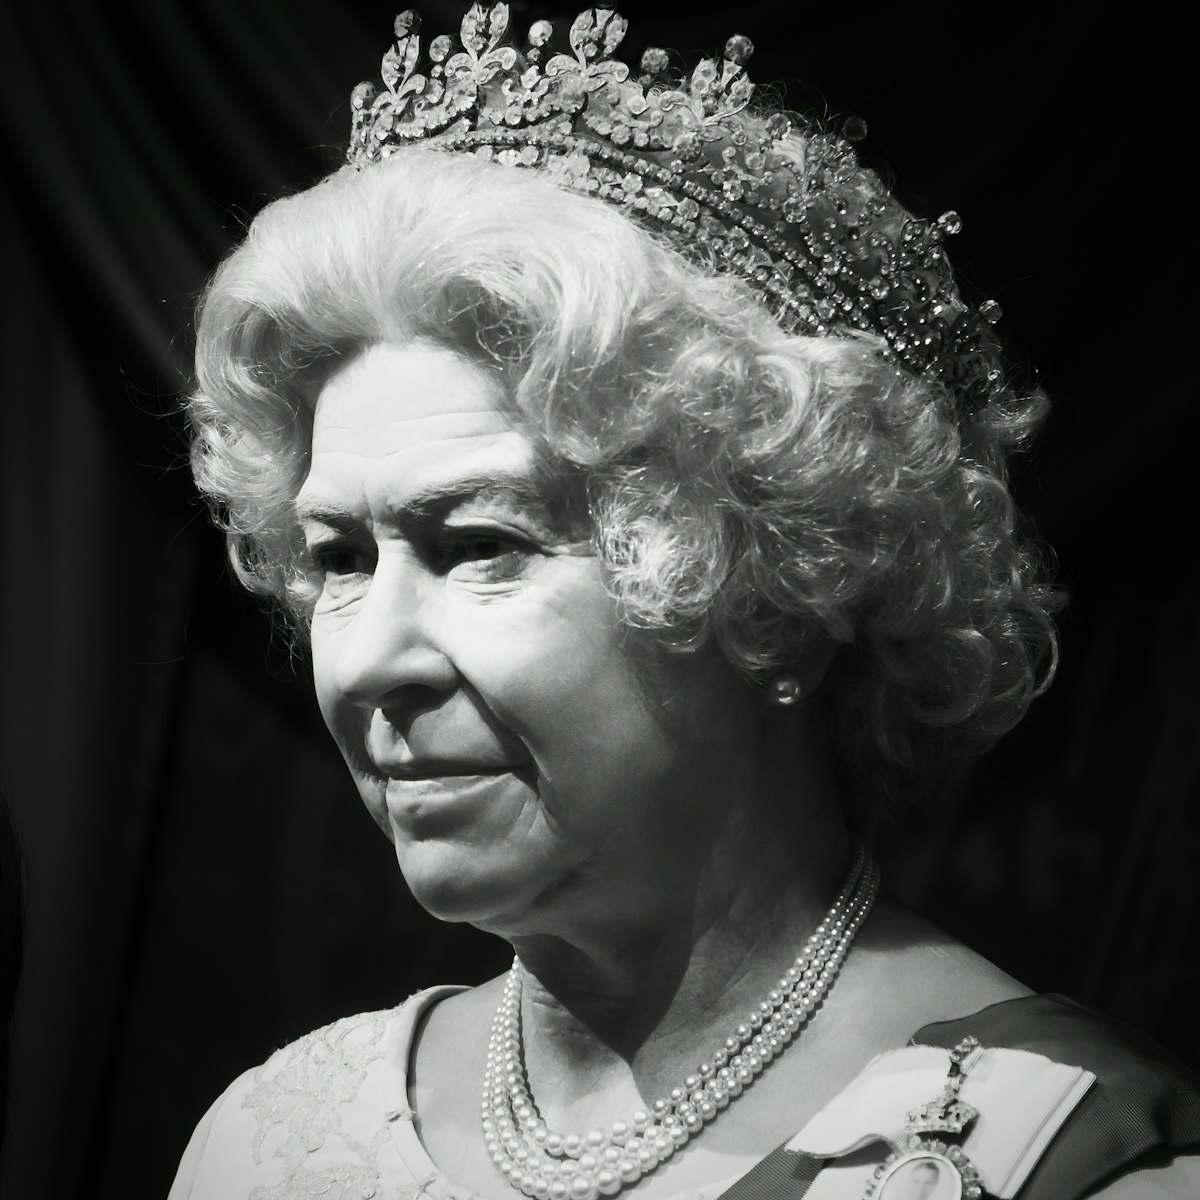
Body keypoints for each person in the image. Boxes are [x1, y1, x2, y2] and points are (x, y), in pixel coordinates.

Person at [169, 6, 1200, 1199]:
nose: (366, 665)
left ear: (774, 586)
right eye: (340, 559)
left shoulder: (1067, 1161)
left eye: (481, 545)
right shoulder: (273, 1142)